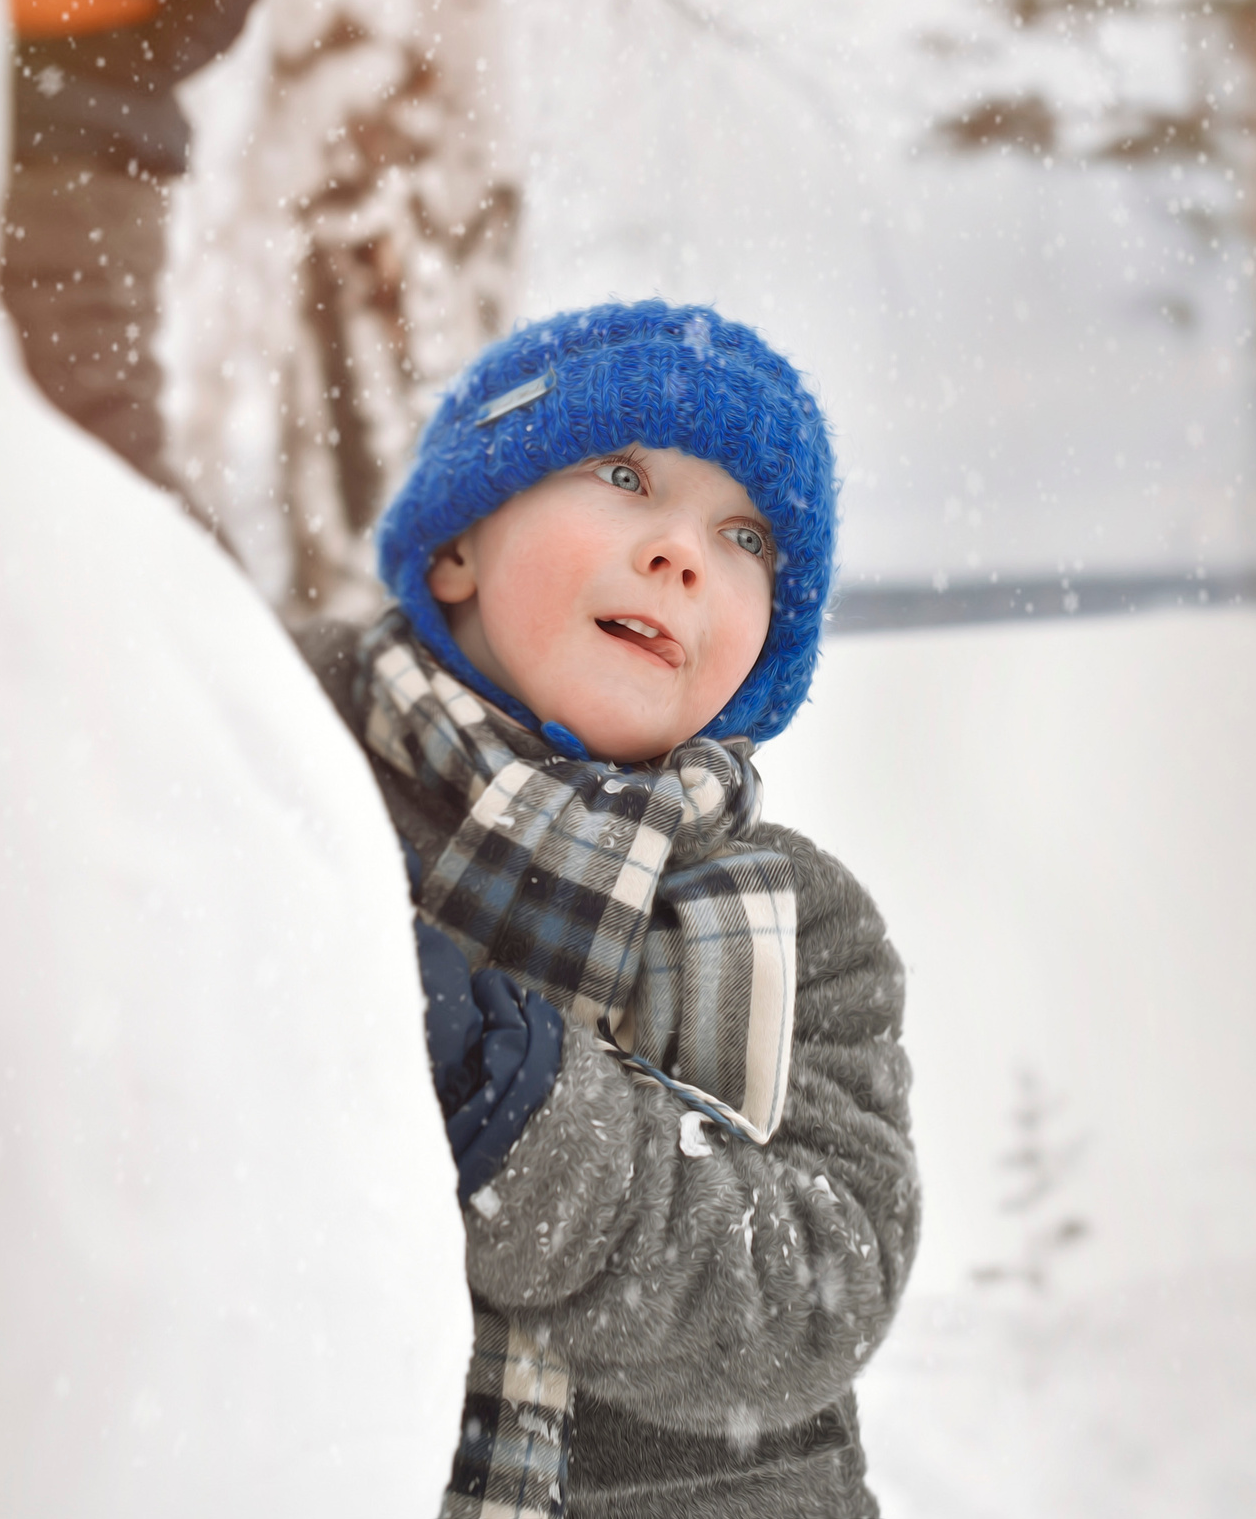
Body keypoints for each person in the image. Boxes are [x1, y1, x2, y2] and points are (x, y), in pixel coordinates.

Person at [292, 301, 919, 1518]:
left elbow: (813, 1294)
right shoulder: (291, 775)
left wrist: (517, 1102)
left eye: (747, 537)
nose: (685, 552)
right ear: (458, 546)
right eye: (625, 473)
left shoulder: (800, 927)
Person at [0, 0, 258, 498]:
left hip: (69, 188)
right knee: (90, 436)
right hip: (76, 183)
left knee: (96, 440)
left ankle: (202, 593)